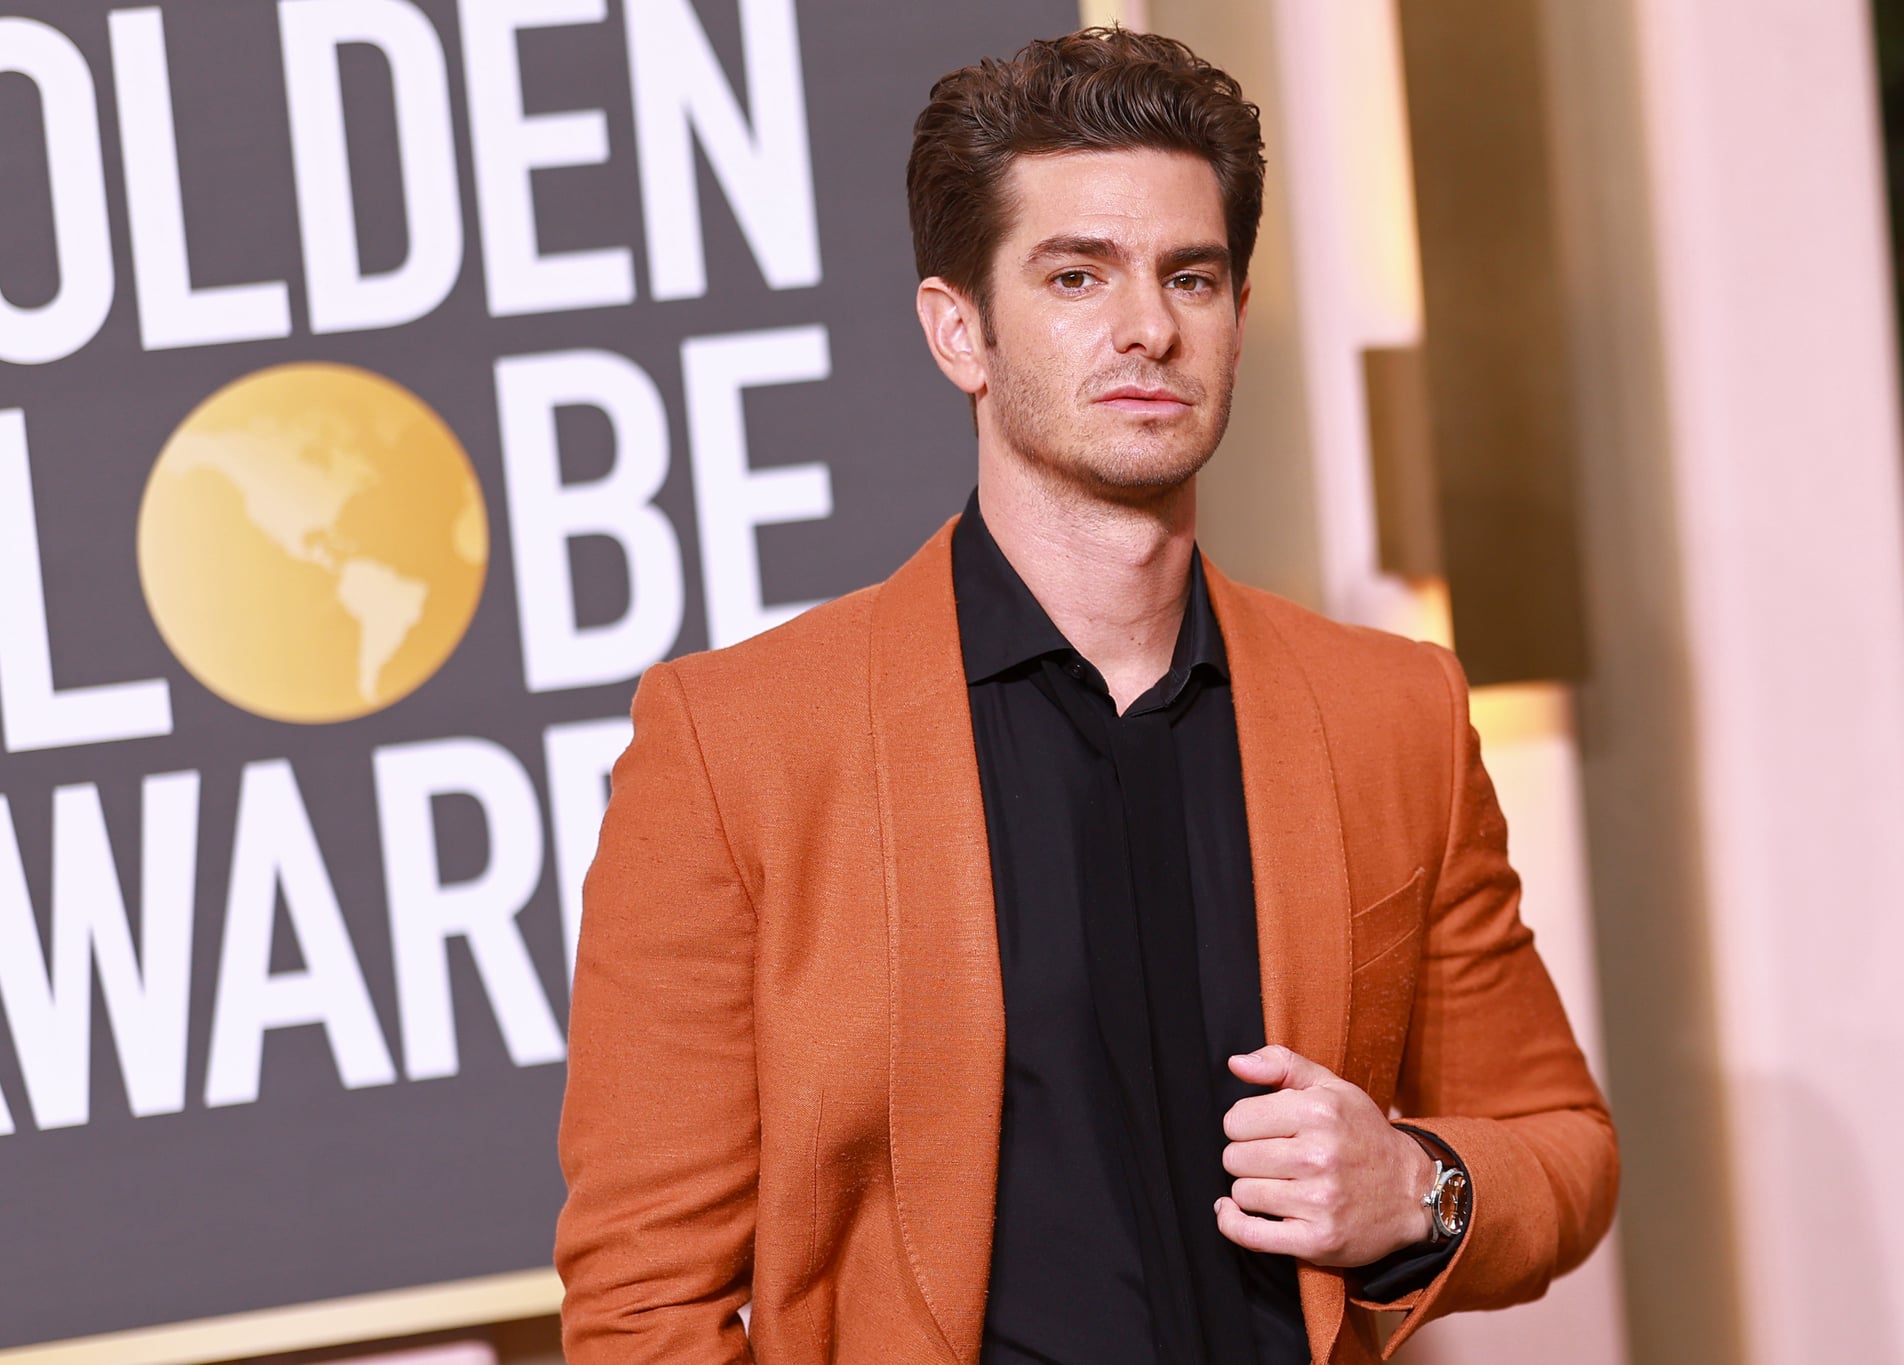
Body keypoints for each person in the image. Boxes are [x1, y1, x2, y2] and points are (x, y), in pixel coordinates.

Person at [556, 26, 1617, 1365]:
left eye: (1193, 274)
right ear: (961, 332)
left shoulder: (1386, 712)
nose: (1148, 327)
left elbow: (1562, 1148)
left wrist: (1414, 1185)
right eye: (1076, 275)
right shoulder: (740, 745)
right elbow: (642, 1300)